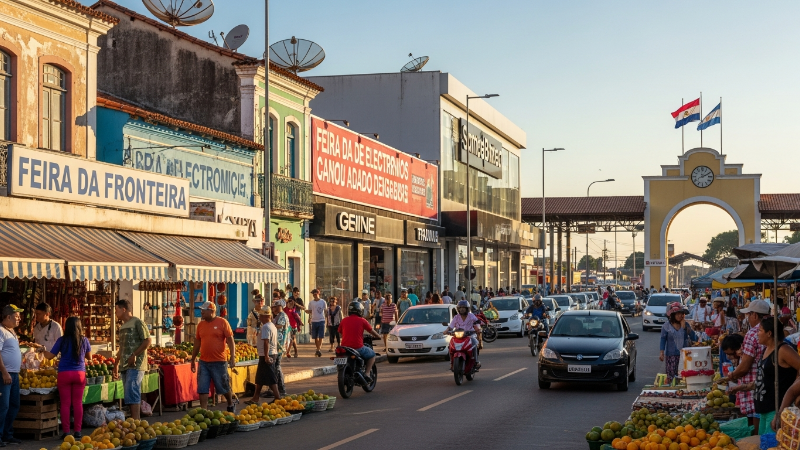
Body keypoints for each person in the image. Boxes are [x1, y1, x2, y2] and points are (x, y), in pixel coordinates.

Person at [38, 317, 91, 439]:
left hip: (64, 374)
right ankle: (77, 431)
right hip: (79, 374)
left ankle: (66, 432)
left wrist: (43, 350)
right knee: (78, 403)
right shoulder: (84, 340)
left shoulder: (62, 340)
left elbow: (50, 356)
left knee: (65, 404)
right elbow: (89, 357)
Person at [724, 299, 769, 433]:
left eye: (748, 315)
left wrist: (732, 376)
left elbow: (745, 366)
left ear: (754, 315)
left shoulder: (752, 334)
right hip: (767, 384)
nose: (747, 318)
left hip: (753, 387)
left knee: (756, 424)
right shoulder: (774, 330)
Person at [752, 316, 800, 434]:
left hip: (776, 409)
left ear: (769, 333)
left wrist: (796, 388)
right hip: (764, 410)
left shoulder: (783, 350)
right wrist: (742, 387)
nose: (757, 334)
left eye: (760, 330)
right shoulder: (766, 350)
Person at [190, 301, 236, 412]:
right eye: (201, 310)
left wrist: (232, 356)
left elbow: (230, 340)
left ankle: (230, 404)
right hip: (204, 362)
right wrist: (193, 359)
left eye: (204, 310)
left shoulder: (222, 322)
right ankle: (203, 411)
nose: (201, 312)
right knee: (202, 388)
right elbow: (197, 343)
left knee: (223, 387)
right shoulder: (200, 325)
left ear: (211, 311)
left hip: (219, 362)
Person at [113, 299, 150, 420]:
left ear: (124, 309)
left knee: (132, 389)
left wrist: (135, 354)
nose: (115, 313)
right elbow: (122, 347)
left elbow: (148, 340)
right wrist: (116, 363)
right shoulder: (122, 326)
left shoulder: (137, 322)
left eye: (116, 310)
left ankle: (136, 420)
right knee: (128, 393)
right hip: (124, 365)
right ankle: (134, 421)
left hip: (136, 364)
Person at [338, 302, 381, 382]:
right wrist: (378, 336)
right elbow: (371, 331)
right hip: (357, 347)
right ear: (360, 310)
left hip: (344, 347)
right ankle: (367, 373)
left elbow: (340, 333)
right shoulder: (362, 320)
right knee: (372, 355)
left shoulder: (344, 320)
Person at [0, 305, 23, 445]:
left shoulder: (12, 331)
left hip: (14, 375)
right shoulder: (1, 331)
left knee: (14, 404)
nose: (19, 318)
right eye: (16, 315)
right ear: (8, 317)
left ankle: (8, 434)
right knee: (3, 406)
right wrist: (4, 372)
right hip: (4, 375)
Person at [248, 308, 280, 404]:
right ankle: (255, 397)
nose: (259, 317)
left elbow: (266, 342)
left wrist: (266, 356)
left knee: (271, 378)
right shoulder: (272, 326)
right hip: (271, 353)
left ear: (266, 316)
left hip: (267, 354)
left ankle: (278, 397)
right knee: (260, 378)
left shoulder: (266, 327)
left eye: (261, 316)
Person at [659, 302, 696, 383]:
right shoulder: (666, 326)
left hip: (684, 356)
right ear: (673, 315)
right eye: (677, 314)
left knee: (683, 377)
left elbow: (694, 338)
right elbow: (663, 339)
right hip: (671, 356)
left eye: (681, 314)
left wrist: (686, 328)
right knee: (672, 379)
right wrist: (661, 352)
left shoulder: (686, 324)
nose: (680, 316)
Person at [447, 301, 481, 368]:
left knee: (474, 343)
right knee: (450, 345)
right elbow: (451, 326)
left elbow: (477, 323)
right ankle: (451, 363)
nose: (462, 309)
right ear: (458, 309)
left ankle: (476, 361)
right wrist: (446, 331)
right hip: (458, 335)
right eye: (460, 308)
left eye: (463, 308)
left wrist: (478, 329)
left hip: (470, 335)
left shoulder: (471, 316)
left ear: (467, 309)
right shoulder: (456, 317)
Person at [269, 299, 288, 397]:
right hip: (276, 344)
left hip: (279, 345)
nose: (275, 308)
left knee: (276, 366)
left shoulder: (282, 316)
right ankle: (278, 389)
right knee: (276, 366)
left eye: (276, 306)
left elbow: (280, 326)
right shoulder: (278, 316)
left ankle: (278, 389)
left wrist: (270, 326)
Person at [305, 289, 327, 357]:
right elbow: (311, 311)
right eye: (313, 294)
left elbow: (325, 310)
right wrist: (307, 313)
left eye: (315, 294)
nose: (314, 295)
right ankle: (318, 349)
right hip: (314, 320)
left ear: (318, 294)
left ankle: (318, 349)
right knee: (315, 336)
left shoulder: (323, 302)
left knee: (321, 336)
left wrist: (326, 319)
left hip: (321, 320)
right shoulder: (311, 303)